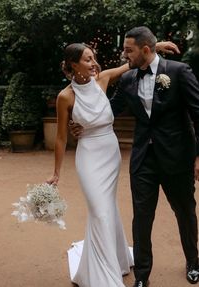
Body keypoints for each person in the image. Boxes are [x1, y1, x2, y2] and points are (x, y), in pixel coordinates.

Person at [71, 26, 199, 287]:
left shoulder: (178, 72)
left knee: (185, 212)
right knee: (141, 217)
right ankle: (142, 276)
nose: (124, 55)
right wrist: (83, 123)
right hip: (143, 160)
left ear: (145, 50)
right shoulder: (129, 79)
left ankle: (194, 263)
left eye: (128, 50)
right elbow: (108, 110)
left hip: (177, 158)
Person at [47, 39, 180, 287]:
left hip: (110, 152)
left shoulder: (104, 78)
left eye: (93, 57)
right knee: (99, 211)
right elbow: (61, 138)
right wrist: (56, 173)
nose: (94, 63)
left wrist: (155, 44)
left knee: (107, 209)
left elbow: (132, 62)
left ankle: (115, 259)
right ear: (73, 65)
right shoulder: (65, 97)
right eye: (87, 59)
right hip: (88, 156)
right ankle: (103, 275)